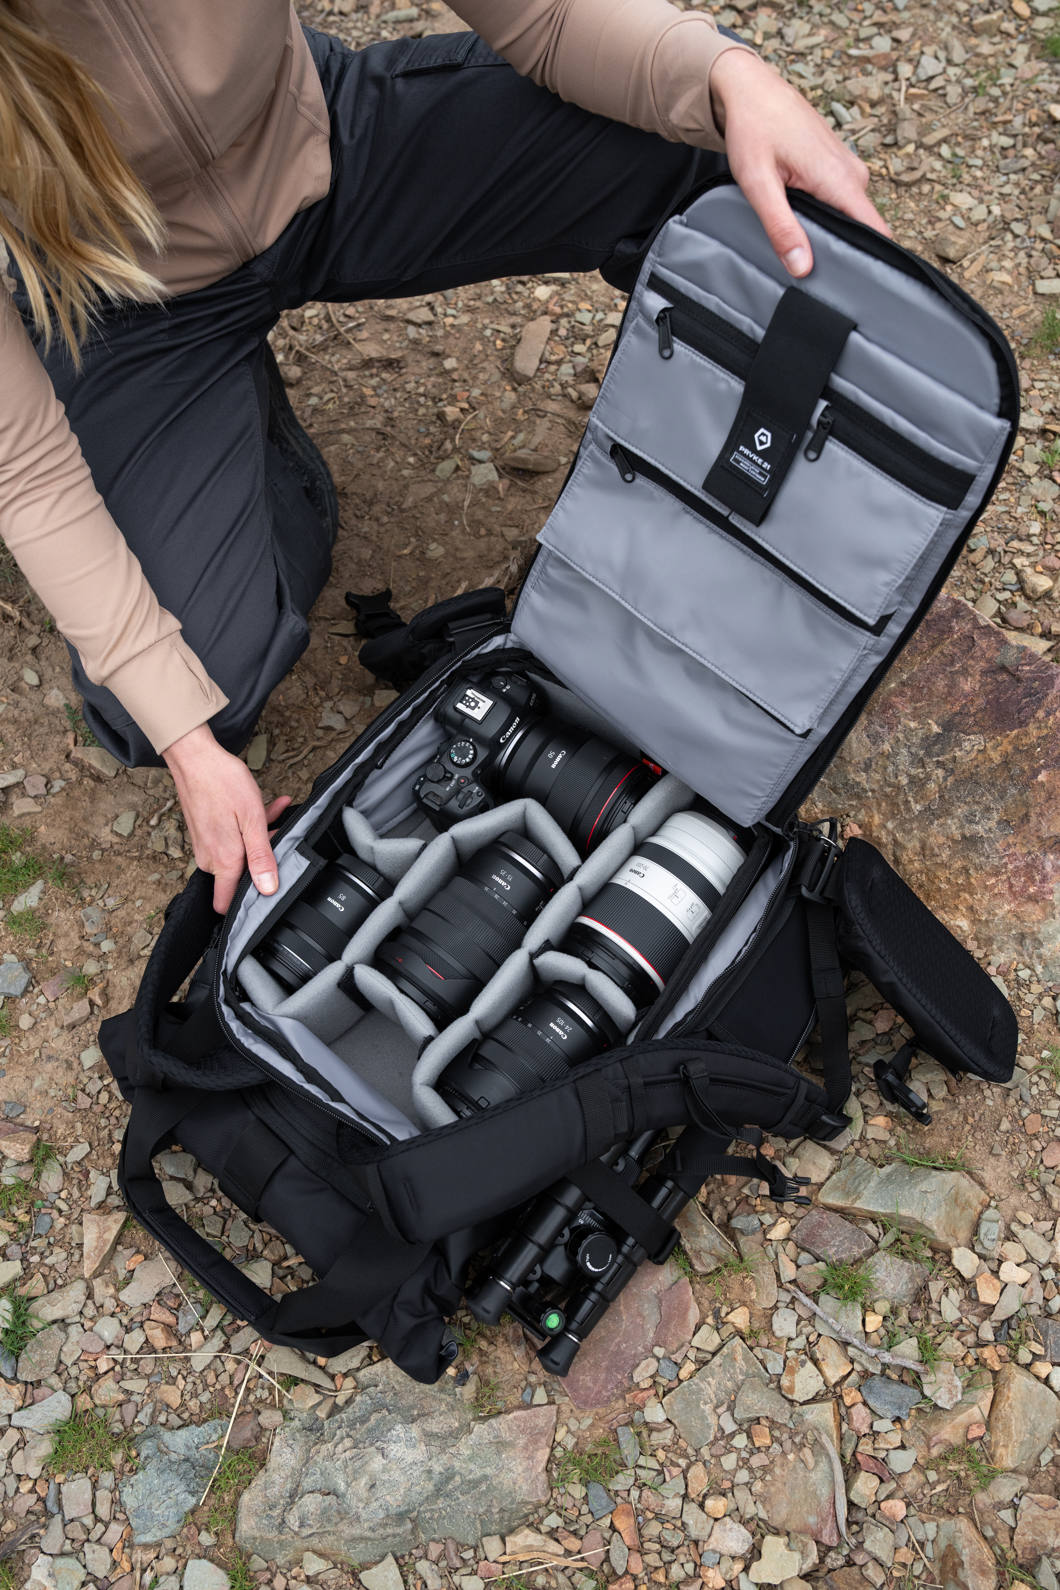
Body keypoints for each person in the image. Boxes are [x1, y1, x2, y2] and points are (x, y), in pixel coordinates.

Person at [0, 0, 888, 913]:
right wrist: (188, 742)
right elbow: (24, 468)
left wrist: (727, 76)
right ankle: (245, 429)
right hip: (127, 298)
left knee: (698, 139)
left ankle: (732, 523)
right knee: (169, 702)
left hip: (316, 145)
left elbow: (546, 17)